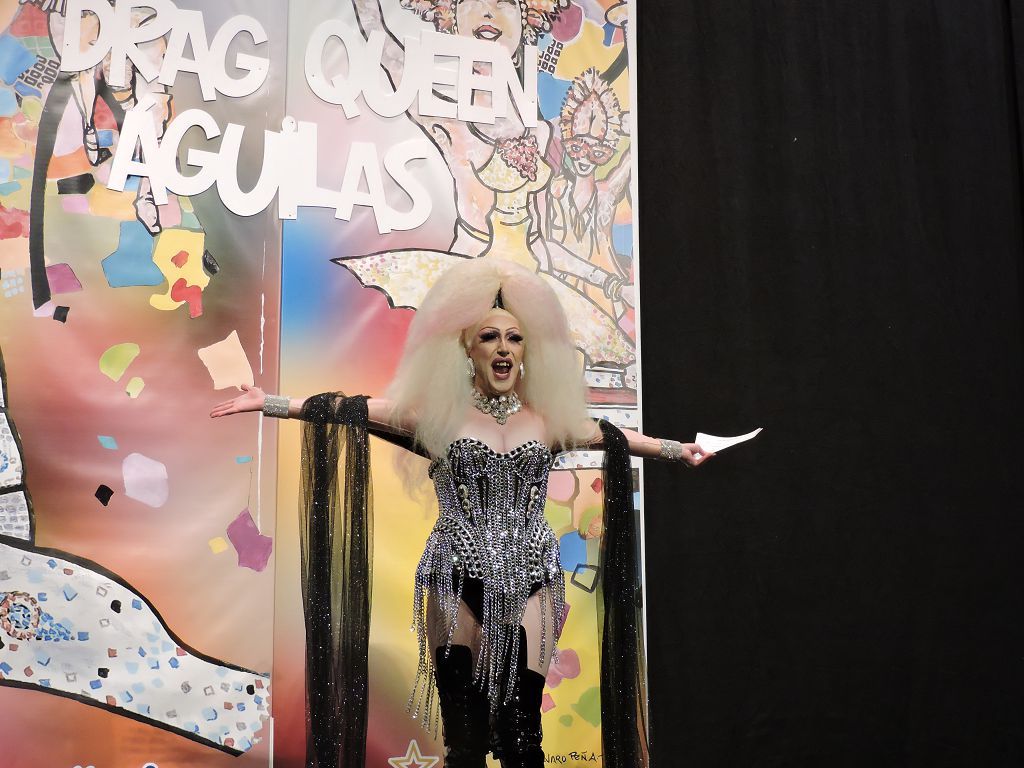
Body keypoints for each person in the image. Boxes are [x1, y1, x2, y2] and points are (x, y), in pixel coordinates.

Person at [211, 258, 712, 768]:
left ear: (526, 351)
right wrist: (270, 401)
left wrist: (680, 449)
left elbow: (617, 438)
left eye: (514, 339)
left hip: (533, 576)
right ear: (467, 349)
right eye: (489, 337)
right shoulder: (436, 416)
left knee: (523, 734)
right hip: (454, 574)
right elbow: (349, 408)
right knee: (465, 740)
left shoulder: (550, 420)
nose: (503, 348)